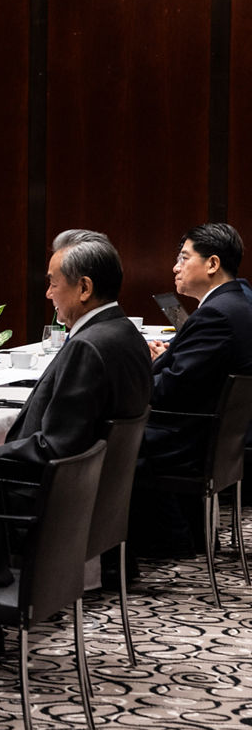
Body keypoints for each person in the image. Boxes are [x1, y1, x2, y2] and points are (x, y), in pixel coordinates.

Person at [0, 229, 151, 477]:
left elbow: (57, 446)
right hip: (98, 490)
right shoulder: (126, 331)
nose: (48, 294)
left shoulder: (87, 346)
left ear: (84, 288)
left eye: (53, 284)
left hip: (42, 497)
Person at [134, 223, 252, 556]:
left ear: (213, 264)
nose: (175, 267)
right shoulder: (241, 299)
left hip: (191, 438)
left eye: (184, 258)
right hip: (218, 433)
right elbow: (192, 370)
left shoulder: (216, 314)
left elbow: (170, 390)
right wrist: (170, 355)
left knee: (103, 435)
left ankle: (159, 542)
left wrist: (127, 383)